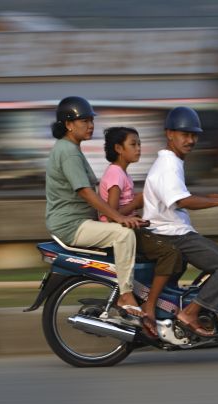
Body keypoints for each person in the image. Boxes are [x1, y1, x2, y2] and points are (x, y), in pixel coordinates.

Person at [44, 96, 146, 320]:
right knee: (124, 235)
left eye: (91, 120)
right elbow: (85, 192)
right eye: (84, 121)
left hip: (77, 222)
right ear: (69, 124)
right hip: (72, 225)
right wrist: (119, 217)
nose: (91, 125)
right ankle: (126, 295)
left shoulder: (70, 149)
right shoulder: (68, 151)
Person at [143, 107, 218, 337]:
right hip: (172, 234)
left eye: (194, 135)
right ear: (169, 134)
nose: (190, 140)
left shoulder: (172, 162)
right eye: (184, 135)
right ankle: (191, 312)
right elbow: (182, 200)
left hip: (172, 230)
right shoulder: (168, 164)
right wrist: (216, 204)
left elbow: (179, 193)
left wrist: (214, 197)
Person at [98, 126, 184, 337]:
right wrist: (137, 202)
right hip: (121, 230)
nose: (138, 149)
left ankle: (161, 298)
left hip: (131, 226)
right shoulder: (116, 173)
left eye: (139, 144)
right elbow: (111, 214)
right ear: (119, 148)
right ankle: (151, 305)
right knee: (171, 252)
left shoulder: (121, 172)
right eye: (133, 144)